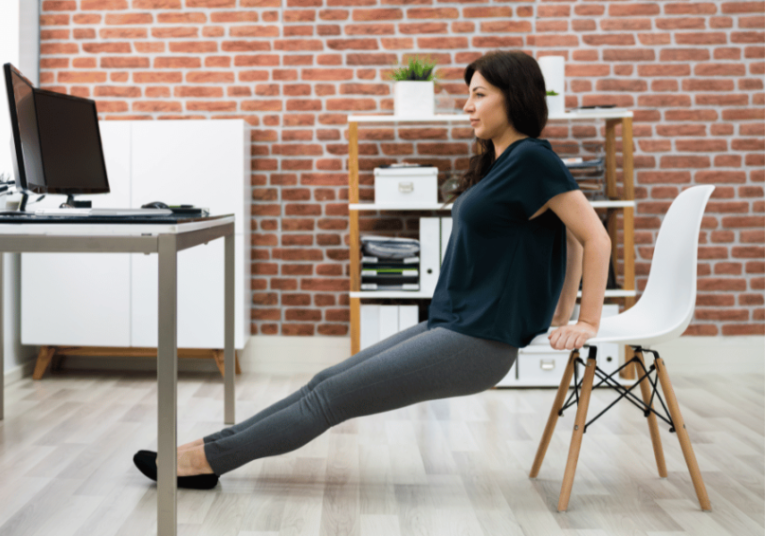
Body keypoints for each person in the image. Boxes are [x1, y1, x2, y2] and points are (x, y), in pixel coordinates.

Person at [132, 50, 612, 489]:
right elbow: (566, 237)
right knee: (323, 383)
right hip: (450, 325)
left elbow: (593, 236)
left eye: (479, 95)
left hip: (479, 342)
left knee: (330, 399)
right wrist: (557, 310)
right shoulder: (499, 164)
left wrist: (583, 320)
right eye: (468, 95)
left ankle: (203, 462)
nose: (467, 106)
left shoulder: (532, 159)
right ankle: (204, 451)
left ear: (516, 98)